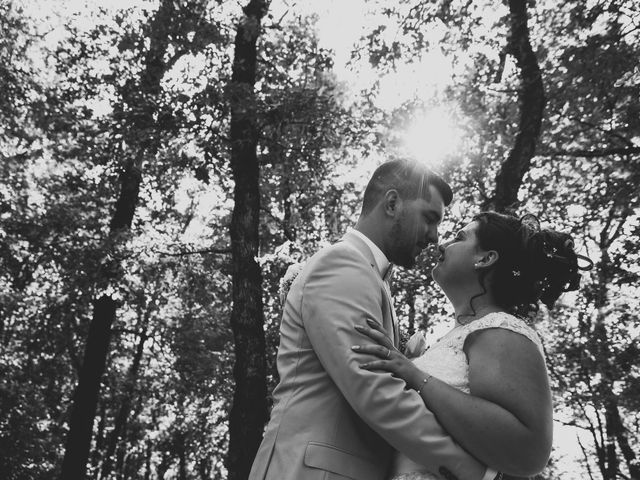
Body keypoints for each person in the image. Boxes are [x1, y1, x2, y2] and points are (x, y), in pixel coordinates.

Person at [249, 159, 497, 480]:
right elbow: (373, 387)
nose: (435, 236)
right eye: (429, 218)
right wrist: (475, 470)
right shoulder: (343, 264)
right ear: (392, 203)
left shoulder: (370, 276)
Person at [353, 211, 593, 479]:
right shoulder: (460, 334)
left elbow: (529, 452)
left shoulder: (500, 329)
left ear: (486, 258)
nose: (443, 245)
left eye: (459, 237)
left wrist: (414, 375)